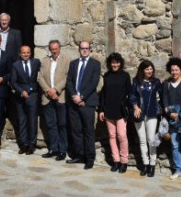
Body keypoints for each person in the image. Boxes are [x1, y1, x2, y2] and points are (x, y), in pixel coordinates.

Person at [65, 41, 101, 170]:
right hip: (74, 103)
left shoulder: (95, 64)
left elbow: (94, 83)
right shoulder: (73, 64)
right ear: (79, 49)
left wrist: (82, 97)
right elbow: (69, 81)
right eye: (82, 48)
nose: (84, 50)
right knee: (76, 130)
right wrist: (74, 96)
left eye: (87, 48)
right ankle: (79, 155)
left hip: (87, 103)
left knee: (88, 131)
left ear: (90, 50)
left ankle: (90, 158)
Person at [130, 60, 163, 177]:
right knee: (142, 140)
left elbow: (163, 96)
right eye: (147, 69)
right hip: (139, 114)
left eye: (151, 69)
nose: (149, 71)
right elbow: (132, 95)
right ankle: (145, 164)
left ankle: (152, 164)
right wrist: (135, 107)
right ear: (142, 70)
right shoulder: (136, 82)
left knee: (151, 140)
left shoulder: (156, 82)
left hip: (152, 114)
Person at [99, 52, 131, 173]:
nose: (115, 64)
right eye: (113, 62)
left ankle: (124, 161)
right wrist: (101, 109)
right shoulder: (106, 76)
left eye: (117, 62)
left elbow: (130, 92)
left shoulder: (125, 76)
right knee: (112, 136)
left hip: (121, 111)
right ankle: (116, 161)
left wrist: (128, 107)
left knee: (122, 136)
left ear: (120, 63)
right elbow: (103, 94)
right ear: (110, 63)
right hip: (108, 110)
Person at [38, 40, 70, 161]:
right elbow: (40, 77)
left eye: (56, 49)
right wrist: (49, 91)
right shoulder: (45, 61)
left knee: (62, 124)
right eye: (52, 49)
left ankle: (62, 150)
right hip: (47, 97)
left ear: (60, 48)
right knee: (50, 125)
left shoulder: (66, 60)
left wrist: (56, 90)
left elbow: (67, 77)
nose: (54, 51)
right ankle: (53, 148)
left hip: (60, 97)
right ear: (49, 49)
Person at [10, 46, 41, 155]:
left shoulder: (36, 62)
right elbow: (13, 82)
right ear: (20, 54)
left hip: (33, 96)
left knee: (32, 121)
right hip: (20, 97)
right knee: (22, 121)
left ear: (31, 53)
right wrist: (21, 91)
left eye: (28, 52)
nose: (26, 54)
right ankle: (23, 145)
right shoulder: (15, 65)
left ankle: (31, 145)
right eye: (23, 53)